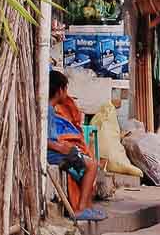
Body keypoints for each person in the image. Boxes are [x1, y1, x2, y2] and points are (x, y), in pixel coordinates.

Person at [47, 71, 104, 221]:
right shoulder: (47, 111)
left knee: (83, 157)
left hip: (55, 151)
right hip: (52, 154)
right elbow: (41, 139)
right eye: (65, 89)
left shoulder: (50, 110)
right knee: (91, 165)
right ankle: (81, 208)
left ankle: (85, 205)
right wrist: (60, 147)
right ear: (60, 90)